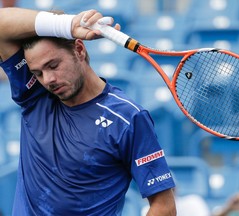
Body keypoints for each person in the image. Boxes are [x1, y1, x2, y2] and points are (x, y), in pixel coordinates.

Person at [0, 7, 176, 216]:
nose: (48, 79)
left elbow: (164, 206)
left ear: (79, 50)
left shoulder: (128, 118)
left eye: (53, 65)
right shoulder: (35, 95)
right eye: (38, 73)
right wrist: (69, 25)